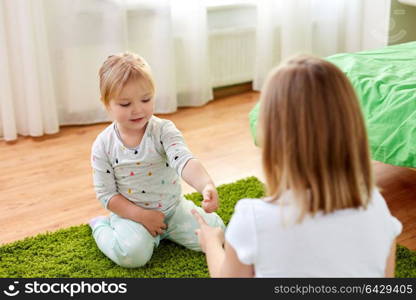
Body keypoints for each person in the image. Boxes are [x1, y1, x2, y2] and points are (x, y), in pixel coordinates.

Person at [192, 55, 402, 277]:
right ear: (352, 130)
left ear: (273, 139)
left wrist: (212, 244)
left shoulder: (253, 219)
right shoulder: (377, 207)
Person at [89, 52, 225, 268]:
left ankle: (166, 232)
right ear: (107, 104)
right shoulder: (103, 145)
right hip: (132, 215)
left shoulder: (163, 131)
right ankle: (101, 226)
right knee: (132, 256)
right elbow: (107, 194)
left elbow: (184, 160)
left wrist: (205, 184)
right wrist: (142, 216)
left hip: (173, 209)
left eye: (146, 99)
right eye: (125, 104)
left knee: (217, 234)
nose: (138, 109)